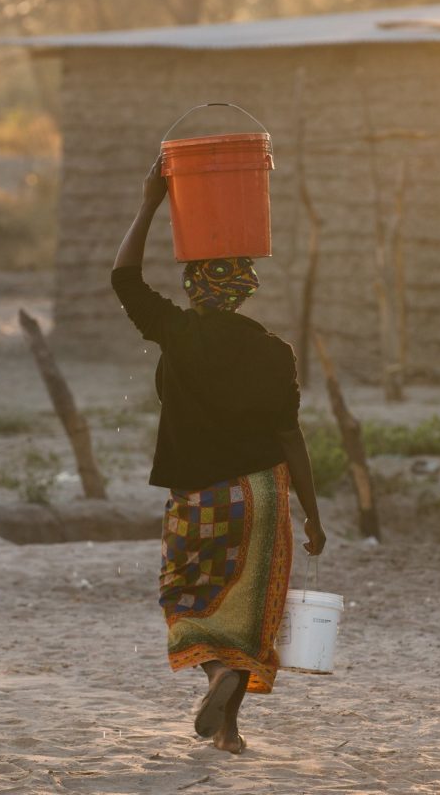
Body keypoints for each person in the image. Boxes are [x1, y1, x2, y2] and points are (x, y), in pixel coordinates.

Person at [111, 154, 326, 755]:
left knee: (189, 597)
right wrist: (312, 512)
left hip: (200, 495)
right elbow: (291, 436)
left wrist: (151, 201)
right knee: (250, 609)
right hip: (260, 497)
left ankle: (218, 680)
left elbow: (123, 278)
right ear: (243, 288)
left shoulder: (177, 334)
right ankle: (228, 728)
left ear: (194, 287)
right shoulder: (274, 350)